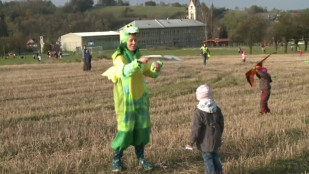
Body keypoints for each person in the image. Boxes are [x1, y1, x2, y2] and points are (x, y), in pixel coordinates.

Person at [102, 24, 163, 172]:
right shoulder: (119, 57)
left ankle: (141, 159)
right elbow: (124, 71)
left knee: (141, 129)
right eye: (131, 40)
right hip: (126, 100)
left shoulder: (138, 55)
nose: (134, 42)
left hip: (141, 98)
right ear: (124, 41)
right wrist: (138, 62)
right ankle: (116, 159)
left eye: (135, 40)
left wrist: (156, 67)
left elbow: (150, 72)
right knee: (125, 130)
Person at [186, 84, 224, 174]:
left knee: (208, 160)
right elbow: (221, 123)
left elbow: (196, 129)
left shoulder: (199, 112)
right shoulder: (217, 108)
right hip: (216, 139)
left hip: (205, 142)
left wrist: (190, 142)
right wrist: (219, 135)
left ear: (198, 96)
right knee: (215, 157)